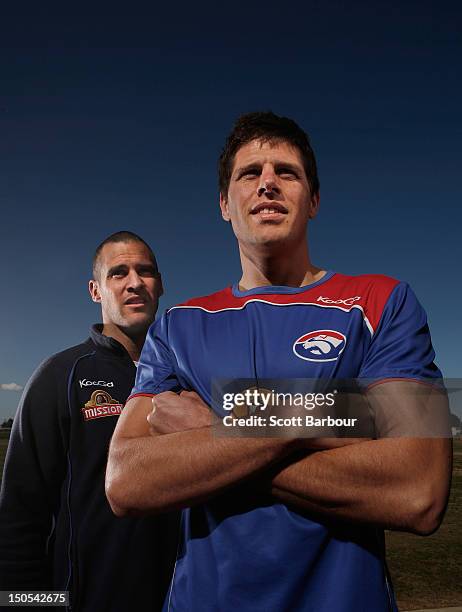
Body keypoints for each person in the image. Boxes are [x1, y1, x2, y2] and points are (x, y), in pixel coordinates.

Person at [106, 114, 452, 612]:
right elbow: (126, 482)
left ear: (313, 200)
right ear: (225, 204)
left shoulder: (385, 301)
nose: (268, 182)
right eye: (250, 173)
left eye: (286, 172)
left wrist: (223, 425)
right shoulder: (177, 325)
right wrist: (334, 418)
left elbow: (420, 489)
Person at [0, 231, 178, 611]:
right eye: (118, 273)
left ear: (160, 285)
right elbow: (18, 516)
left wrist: (338, 411)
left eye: (145, 271)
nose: (134, 282)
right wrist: (29, 606)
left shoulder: (187, 376)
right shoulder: (59, 376)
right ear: (95, 291)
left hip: (182, 598)